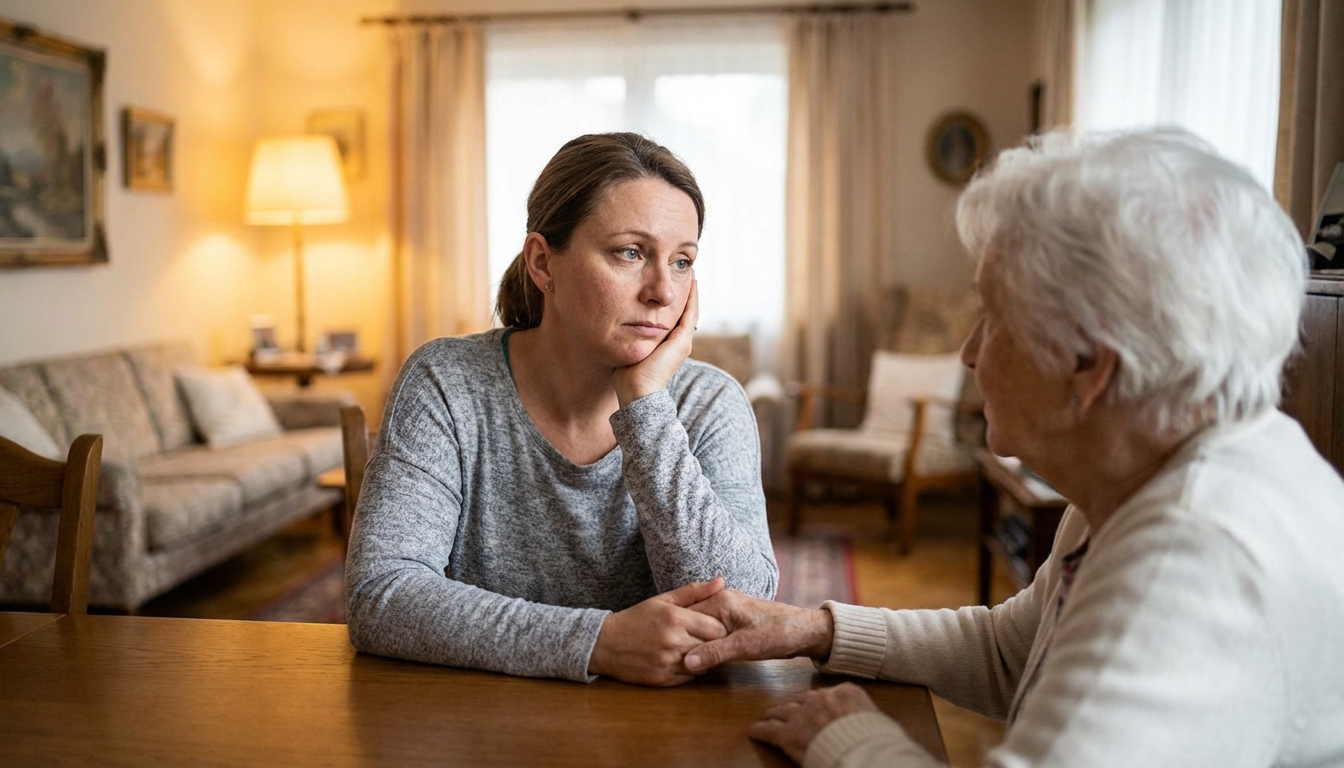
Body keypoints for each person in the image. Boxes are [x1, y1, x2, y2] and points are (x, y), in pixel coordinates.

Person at [680, 129, 1344, 767]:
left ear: (1090, 363)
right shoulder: (1146, 472)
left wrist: (850, 741)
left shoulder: (1194, 557)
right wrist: (812, 629)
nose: (968, 353)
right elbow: (1009, 651)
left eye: (993, 318)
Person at [345, 132, 778, 686]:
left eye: (682, 261)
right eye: (631, 253)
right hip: (476, 726)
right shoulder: (447, 383)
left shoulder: (710, 404)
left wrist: (646, 407)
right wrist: (598, 642)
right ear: (543, 263)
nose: (663, 292)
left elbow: (742, 611)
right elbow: (381, 595)